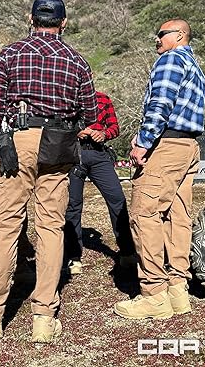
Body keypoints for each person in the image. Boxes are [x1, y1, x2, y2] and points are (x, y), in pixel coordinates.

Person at [0, 0, 98, 343]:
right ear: (63, 22)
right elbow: (92, 113)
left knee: (6, 226)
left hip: (20, 140)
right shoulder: (78, 61)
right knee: (51, 228)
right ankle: (43, 317)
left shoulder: (9, 54)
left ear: (31, 18)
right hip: (58, 142)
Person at [114, 19, 205, 320]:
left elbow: (159, 106)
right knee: (177, 217)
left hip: (166, 148)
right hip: (188, 148)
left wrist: (143, 142)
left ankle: (154, 294)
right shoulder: (196, 67)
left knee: (144, 214)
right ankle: (177, 290)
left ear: (179, 36)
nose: (157, 40)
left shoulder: (170, 61)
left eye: (161, 34)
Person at [64, 91, 136, 275]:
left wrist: (103, 134)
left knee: (117, 198)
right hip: (73, 154)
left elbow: (115, 127)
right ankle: (73, 256)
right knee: (72, 204)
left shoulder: (104, 99)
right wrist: (75, 131)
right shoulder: (66, 96)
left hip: (98, 154)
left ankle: (127, 252)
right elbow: (58, 126)